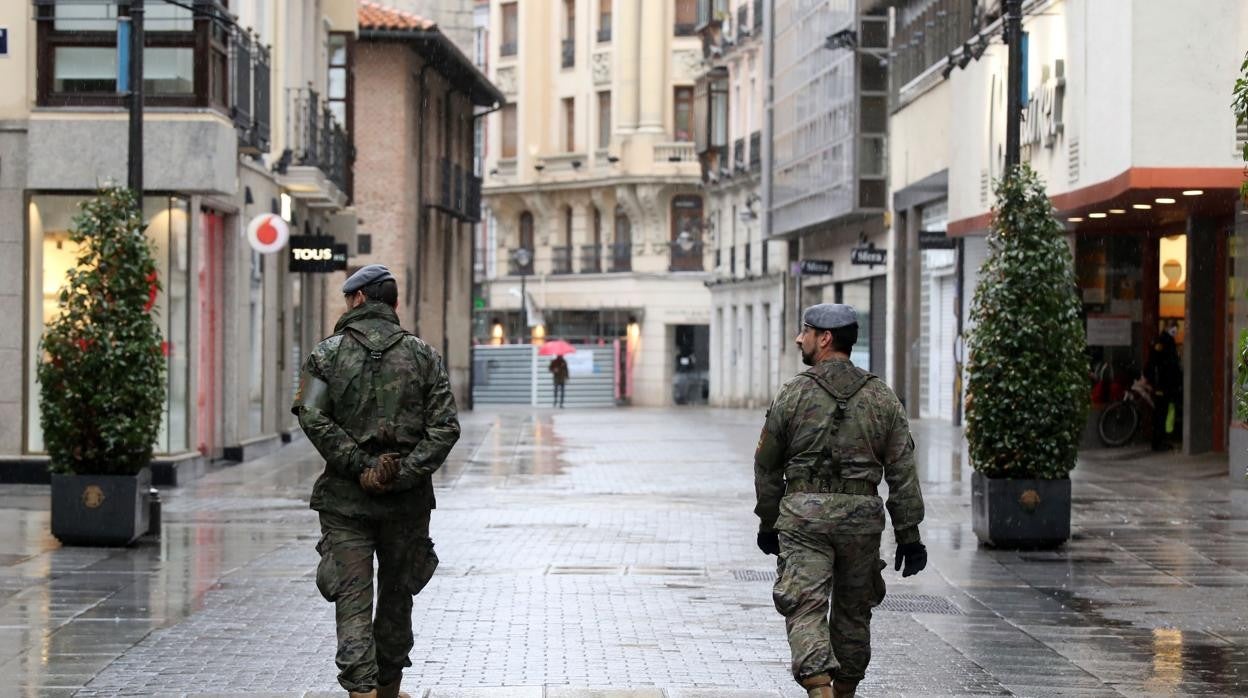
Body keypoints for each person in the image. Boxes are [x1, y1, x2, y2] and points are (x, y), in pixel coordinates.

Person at [292, 264, 460, 698]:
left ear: (358, 300)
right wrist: (402, 473)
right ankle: (388, 687)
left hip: (345, 502)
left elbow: (311, 414)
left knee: (352, 598)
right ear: (394, 304)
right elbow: (445, 427)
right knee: (397, 598)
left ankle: (361, 693)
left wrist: (358, 464)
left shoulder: (325, 354)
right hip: (406, 504)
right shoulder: (424, 355)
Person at [753, 304, 927, 698]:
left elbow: (766, 466)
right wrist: (909, 535)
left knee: (805, 605)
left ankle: (820, 690)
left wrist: (767, 523)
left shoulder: (793, 393)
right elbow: (902, 469)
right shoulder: (882, 397)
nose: (800, 338)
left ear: (825, 338)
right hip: (861, 523)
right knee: (854, 611)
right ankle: (843, 691)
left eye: (806, 331)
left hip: (804, 521)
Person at [1145, 323, 1182, 451]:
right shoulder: (1164, 342)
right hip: (1163, 384)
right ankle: (1158, 441)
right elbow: (1160, 364)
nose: (1175, 330)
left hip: (1165, 383)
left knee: (1162, 413)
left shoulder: (1165, 341)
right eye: (1173, 327)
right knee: (1161, 413)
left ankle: (1160, 440)